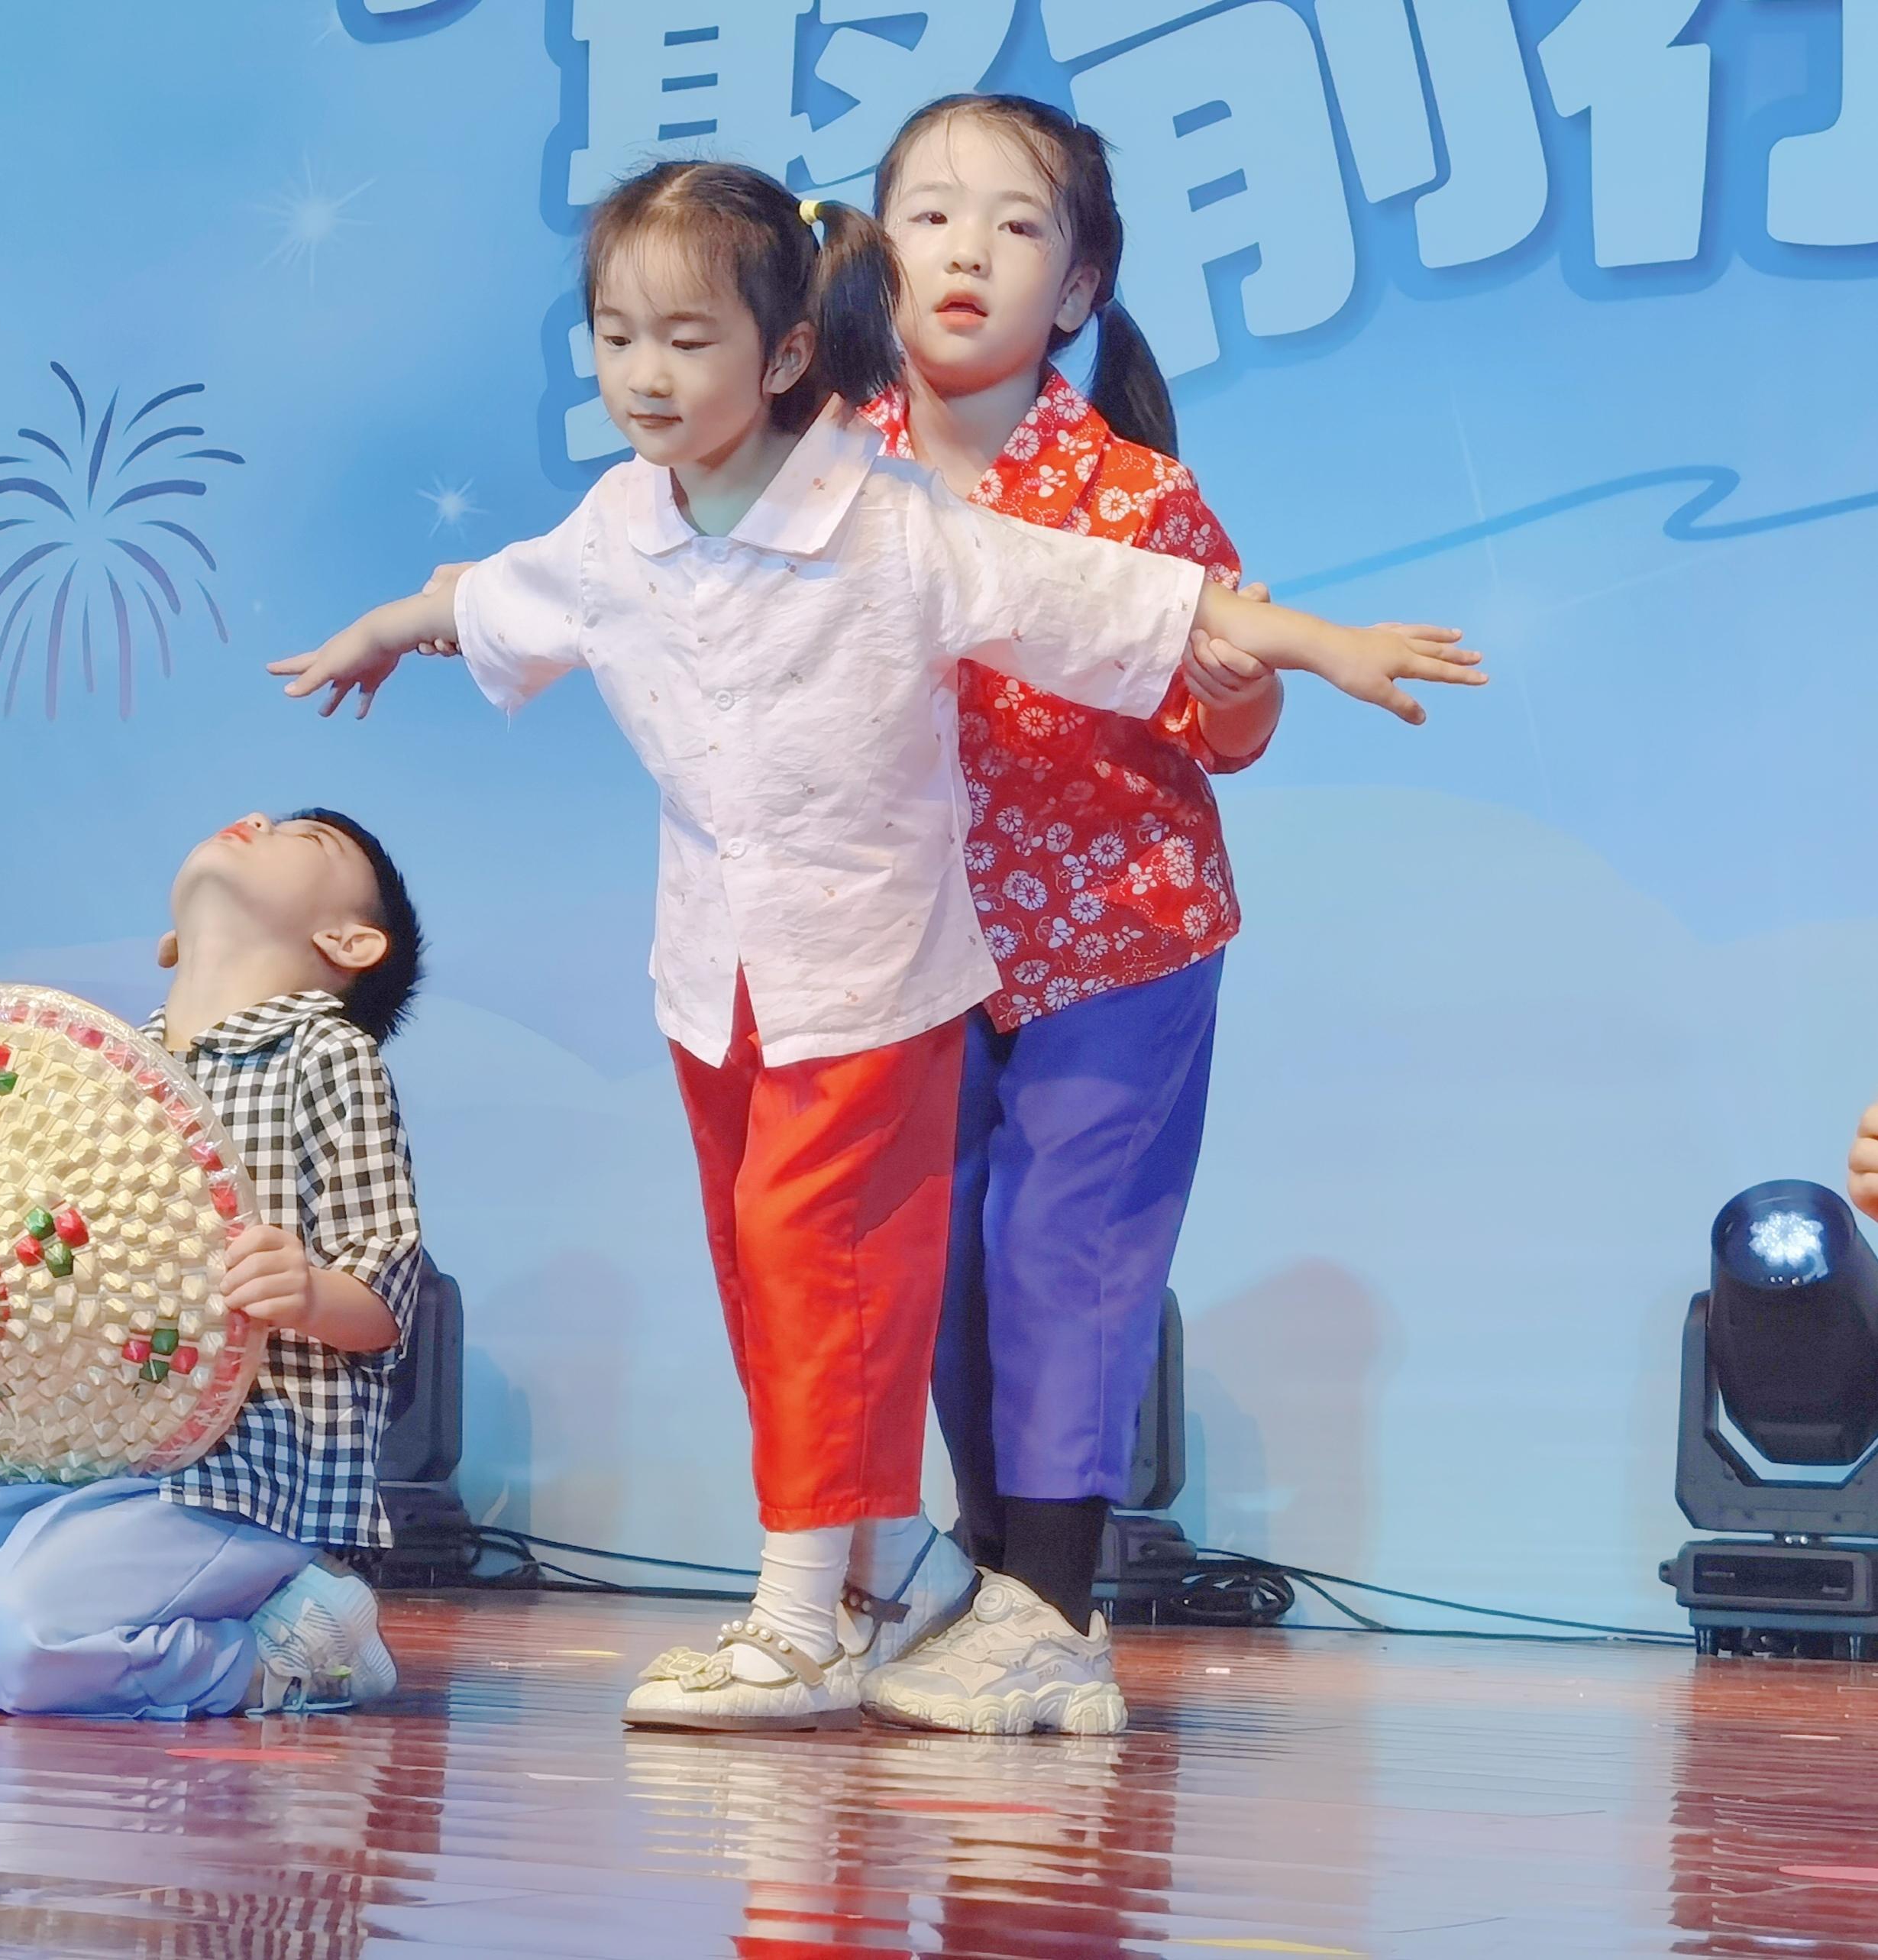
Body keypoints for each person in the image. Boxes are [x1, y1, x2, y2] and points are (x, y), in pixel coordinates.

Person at [272, 158, 1484, 1732]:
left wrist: (1319, 643)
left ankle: (814, 1620)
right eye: (616, 338)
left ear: (783, 350)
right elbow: (497, 596)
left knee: (836, 1266)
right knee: (766, 1274)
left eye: (684, 339)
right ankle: (892, 1563)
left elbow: (1134, 601)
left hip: (902, 966)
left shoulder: (893, 521)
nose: (643, 374)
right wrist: (382, 629)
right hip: (716, 976)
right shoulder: (625, 518)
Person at [854, 94, 1288, 1738]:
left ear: (1079, 284)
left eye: (1015, 223)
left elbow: (1227, 726)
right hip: (909, 937)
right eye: (926, 214)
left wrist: (1233, 685)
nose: (964, 248)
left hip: (1116, 931)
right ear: (871, 256)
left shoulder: (1134, 491)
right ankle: (1001, 1591)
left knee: (1060, 1249)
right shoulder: (823, 475)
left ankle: (1049, 1604)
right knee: (939, 1262)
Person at [0, 809, 427, 1719]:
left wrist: (307, 1293)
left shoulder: (325, 1054)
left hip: (232, 1469)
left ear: (350, 941)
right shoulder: (101, 1069)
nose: (255, 821)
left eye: (304, 837)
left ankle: (288, 1653)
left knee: (19, 1637)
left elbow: (386, 1289)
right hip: (75, 1448)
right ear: (171, 940)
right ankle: (82, 1619)